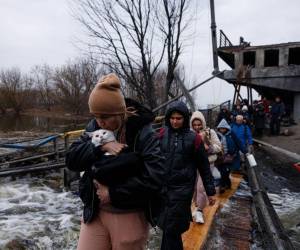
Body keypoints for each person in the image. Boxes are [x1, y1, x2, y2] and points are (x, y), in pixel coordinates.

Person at [66, 73, 165, 250]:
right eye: (96, 116)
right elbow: (72, 160)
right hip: (95, 212)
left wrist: (113, 193)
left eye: (105, 116)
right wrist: (100, 145)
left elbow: (155, 177)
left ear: (120, 112)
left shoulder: (143, 132)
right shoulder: (95, 127)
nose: (100, 122)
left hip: (129, 215)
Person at [157, 101, 216, 250]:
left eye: (179, 118)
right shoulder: (162, 134)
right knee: (169, 228)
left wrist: (210, 191)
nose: (175, 121)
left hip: (182, 190)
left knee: (171, 227)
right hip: (164, 188)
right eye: (172, 118)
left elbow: (204, 166)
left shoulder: (193, 139)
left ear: (184, 119)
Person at [190, 111, 222, 224]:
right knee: (193, 187)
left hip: (207, 164)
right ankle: (196, 205)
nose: (197, 127)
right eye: (195, 125)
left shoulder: (210, 132)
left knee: (201, 188)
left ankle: (199, 211)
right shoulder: (189, 134)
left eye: (199, 124)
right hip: (193, 165)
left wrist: (208, 147)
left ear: (203, 123)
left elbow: (219, 147)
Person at [216, 119, 247, 193]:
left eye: (223, 128)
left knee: (225, 172)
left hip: (230, 157)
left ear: (226, 128)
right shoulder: (217, 135)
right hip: (220, 157)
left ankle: (222, 186)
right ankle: (227, 184)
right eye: (221, 128)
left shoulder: (231, 134)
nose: (222, 130)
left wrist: (245, 151)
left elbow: (238, 143)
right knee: (222, 172)